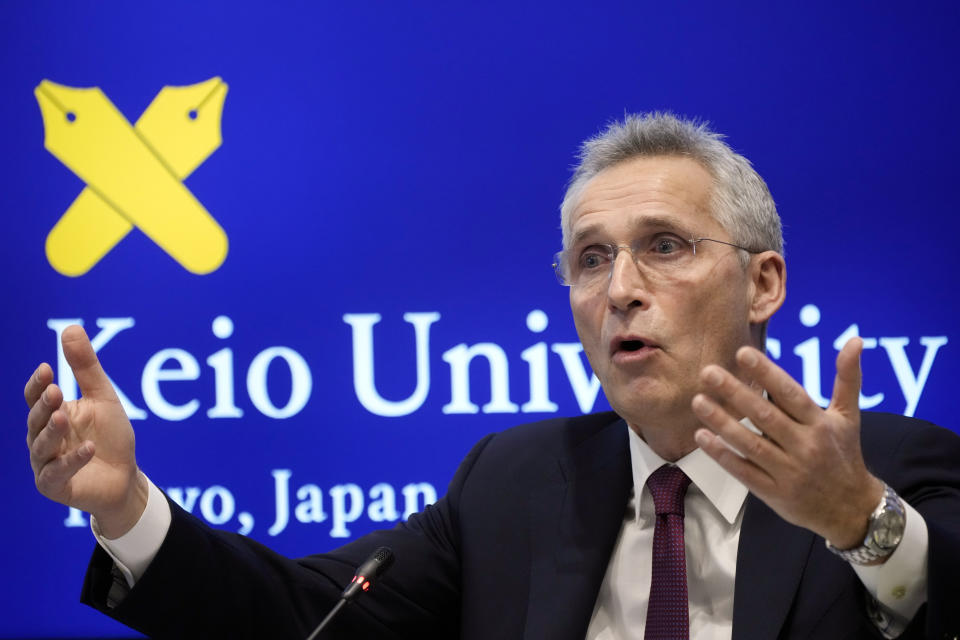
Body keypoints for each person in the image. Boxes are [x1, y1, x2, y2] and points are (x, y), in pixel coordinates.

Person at [24, 113, 960, 639]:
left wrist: (858, 524)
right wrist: (126, 509)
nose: (621, 291)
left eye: (663, 247)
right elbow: (304, 623)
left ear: (763, 282)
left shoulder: (891, 467)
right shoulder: (514, 484)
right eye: (590, 260)